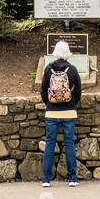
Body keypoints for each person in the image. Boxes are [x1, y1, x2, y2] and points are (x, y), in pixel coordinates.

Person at [40, 39, 82, 186]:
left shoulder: (48, 69)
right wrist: (71, 104)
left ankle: (46, 179)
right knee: (69, 143)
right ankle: (72, 179)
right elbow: (78, 92)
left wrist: (50, 105)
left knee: (50, 143)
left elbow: (43, 91)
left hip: (51, 113)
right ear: (68, 52)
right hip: (69, 112)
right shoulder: (72, 70)